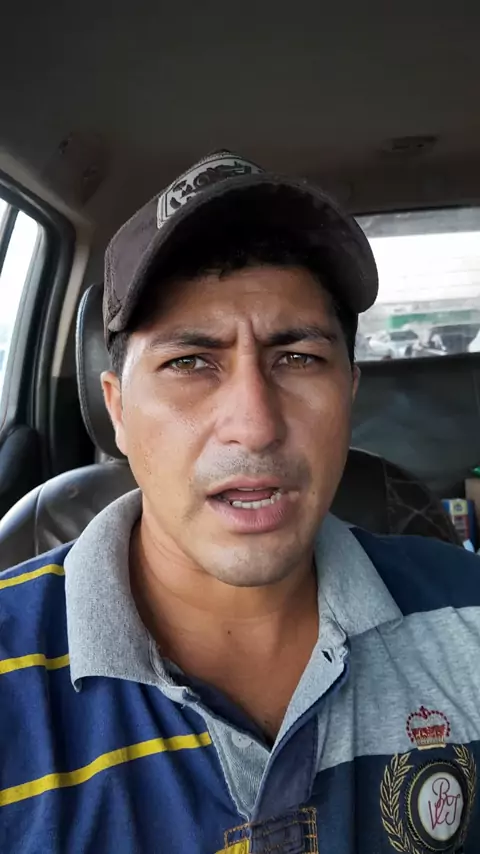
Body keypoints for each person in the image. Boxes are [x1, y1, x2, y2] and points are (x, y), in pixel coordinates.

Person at [0, 151, 479, 854]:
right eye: (190, 362)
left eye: (298, 358)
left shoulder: (467, 614)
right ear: (118, 410)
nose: (255, 425)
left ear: (349, 392)